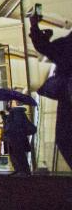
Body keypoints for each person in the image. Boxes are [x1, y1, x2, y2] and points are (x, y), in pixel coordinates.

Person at [30, 11, 72, 169]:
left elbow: (45, 47)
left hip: (68, 96)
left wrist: (35, 26)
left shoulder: (66, 44)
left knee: (64, 138)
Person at [1, 101, 37, 176]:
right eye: (8, 102)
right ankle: (18, 169)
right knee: (13, 155)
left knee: (19, 155)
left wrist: (7, 121)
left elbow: (16, 125)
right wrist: (5, 118)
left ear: (16, 103)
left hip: (16, 138)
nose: (8, 104)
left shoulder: (18, 112)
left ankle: (24, 171)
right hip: (11, 138)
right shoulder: (12, 113)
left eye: (10, 102)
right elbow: (9, 125)